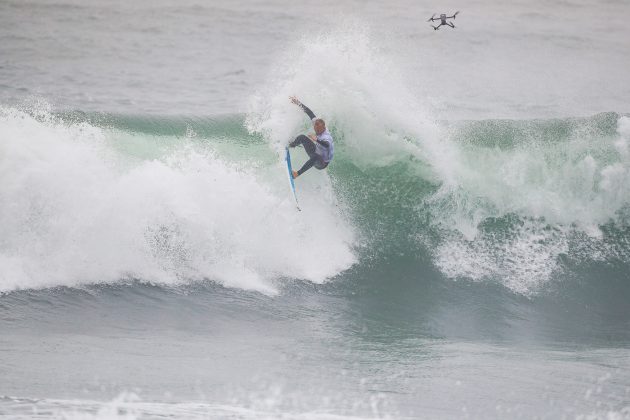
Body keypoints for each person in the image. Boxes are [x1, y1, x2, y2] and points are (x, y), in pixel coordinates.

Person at [288, 96, 334, 179]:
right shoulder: (317, 123)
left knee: (316, 157)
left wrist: (316, 139)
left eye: (318, 130)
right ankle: (290, 145)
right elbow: (310, 112)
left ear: (323, 128)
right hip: (316, 152)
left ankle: (297, 174)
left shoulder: (326, 136)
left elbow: (327, 145)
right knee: (302, 137)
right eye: (316, 129)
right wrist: (298, 103)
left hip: (322, 163)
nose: (316, 131)